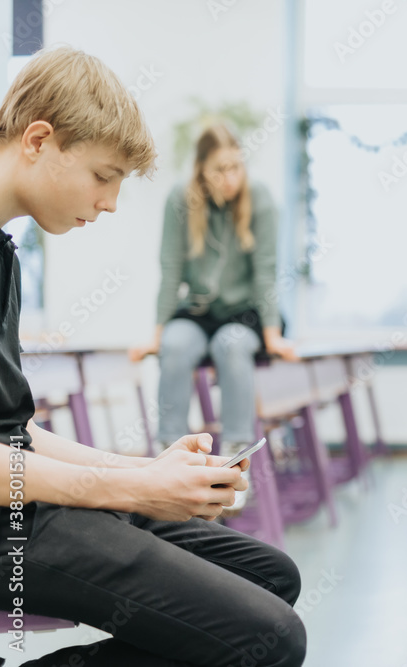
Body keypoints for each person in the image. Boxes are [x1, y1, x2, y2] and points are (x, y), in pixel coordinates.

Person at [0, 47, 305, 666]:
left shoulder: (4, 256)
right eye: (103, 176)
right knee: (269, 640)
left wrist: (140, 473)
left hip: (27, 495)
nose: (108, 203)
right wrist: (129, 492)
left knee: (270, 576)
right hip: (7, 525)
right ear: (39, 140)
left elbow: (13, 431)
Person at [130, 123, 297, 508]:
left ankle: (236, 463)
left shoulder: (260, 199)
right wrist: (156, 334)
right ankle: (167, 456)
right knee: (174, 345)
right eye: (220, 170)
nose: (230, 178)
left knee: (232, 346)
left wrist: (272, 336)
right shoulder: (180, 199)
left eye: (236, 167)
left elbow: (266, 271)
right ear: (200, 170)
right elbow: (170, 269)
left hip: (248, 314)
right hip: (200, 310)